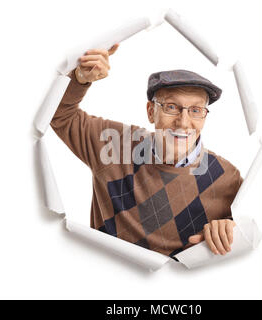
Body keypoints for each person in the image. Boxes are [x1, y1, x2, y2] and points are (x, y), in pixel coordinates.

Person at [50, 43, 243, 257]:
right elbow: (58, 115)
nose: (184, 122)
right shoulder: (113, 144)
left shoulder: (229, 179)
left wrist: (235, 230)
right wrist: (79, 78)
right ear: (151, 112)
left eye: (196, 110)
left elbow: (257, 231)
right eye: (171, 107)